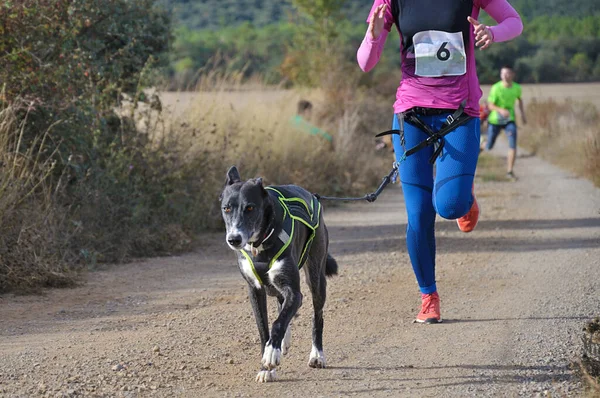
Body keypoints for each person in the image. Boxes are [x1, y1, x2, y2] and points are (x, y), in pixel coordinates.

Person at [357, 0, 522, 323]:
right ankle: (428, 295)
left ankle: (464, 193)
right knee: (418, 214)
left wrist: (492, 32)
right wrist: (374, 36)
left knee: (449, 206)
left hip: (459, 113)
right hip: (410, 113)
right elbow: (366, 63)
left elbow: (514, 22)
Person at [484, 66, 527, 180]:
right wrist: (501, 110)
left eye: (507, 73)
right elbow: (490, 105)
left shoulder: (517, 87)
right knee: (489, 146)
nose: (505, 76)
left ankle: (510, 171)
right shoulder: (496, 88)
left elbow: (519, 99)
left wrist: (522, 115)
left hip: (509, 119)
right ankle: (481, 147)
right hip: (495, 120)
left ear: (512, 74)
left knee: (512, 144)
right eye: (502, 74)